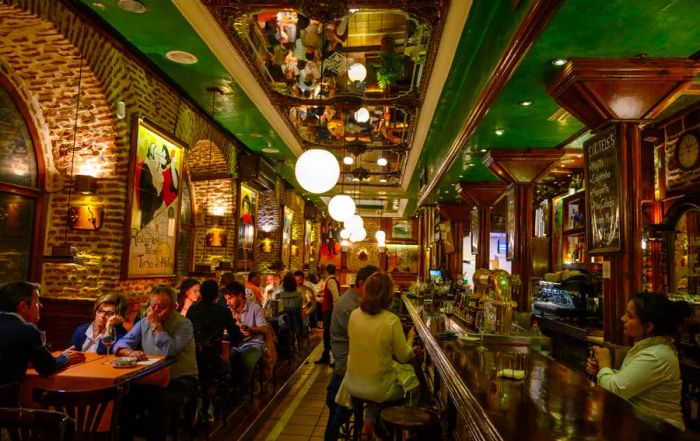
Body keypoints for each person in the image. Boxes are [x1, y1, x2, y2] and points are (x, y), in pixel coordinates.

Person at [586, 293, 690, 431]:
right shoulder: (650, 348)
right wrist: (603, 369)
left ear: (648, 327)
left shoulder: (656, 355)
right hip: (644, 426)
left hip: (661, 431)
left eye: (630, 316)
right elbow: (632, 380)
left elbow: (614, 391)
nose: (623, 318)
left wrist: (605, 364)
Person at [114, 285, 198, 441]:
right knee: (124, 400)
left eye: (162, 307)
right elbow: (120, 344)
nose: (156, 311)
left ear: (174, 307)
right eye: (153, 306)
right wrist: (131, 352)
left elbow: (169, 351)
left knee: (160, 403)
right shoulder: (144, 322)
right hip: (151, 378)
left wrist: (156, 325)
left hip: (179, 378)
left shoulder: (184, 324)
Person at [341, 272, 419, 436]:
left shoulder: (354, 315)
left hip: (352, 383)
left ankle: (369, 422)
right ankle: (405, 432)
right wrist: (412, 346)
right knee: (413, 386)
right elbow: (404, 356)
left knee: (381, 374)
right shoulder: (391, 320)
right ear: (388, 295)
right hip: (379, 388)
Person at [0, 282, 85, 404]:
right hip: (6, 412)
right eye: (37, 301)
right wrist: (65, 357)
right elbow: (47, 367)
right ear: (23, 306)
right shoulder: (26, 330)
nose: (41, 305)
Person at [324, 265, 379, 441]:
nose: (375, 291)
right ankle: (366, 427)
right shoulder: (352, 307)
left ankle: (364, 426)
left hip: (350, 360)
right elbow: (366, 341)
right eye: (373, 286)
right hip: (346, 365)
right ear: (361, 284)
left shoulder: (357, 302)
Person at [225, 281, 268, 386]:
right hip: (235, 344)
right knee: (225, 360)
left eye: (230, 298)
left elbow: (264, 329)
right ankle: (230, 387)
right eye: (226, 299)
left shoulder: (254, 308)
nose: (227, 303)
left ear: (240, 295)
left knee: (246, 362)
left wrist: (250, 329)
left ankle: (243, 388)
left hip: (254, 343)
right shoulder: (228, 311)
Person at [316, 264, 340, 364]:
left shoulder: (330, 281)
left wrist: (336, 311)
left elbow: (336, 297)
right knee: (327, 334)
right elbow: (328, 298)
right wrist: (317, 299)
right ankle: (326, 355)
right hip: (329, 311)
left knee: (328, 334)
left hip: (330, 312)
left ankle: (330, 357)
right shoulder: (332, 280)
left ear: (326, 271)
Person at [279, 272, 304, 349]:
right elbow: (300, 306)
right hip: (296, 316)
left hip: (285, 318)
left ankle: (288, 343)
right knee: (298, 316)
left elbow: (280, 308)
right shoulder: (298, 294)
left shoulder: (281, 294)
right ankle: (298, 340)